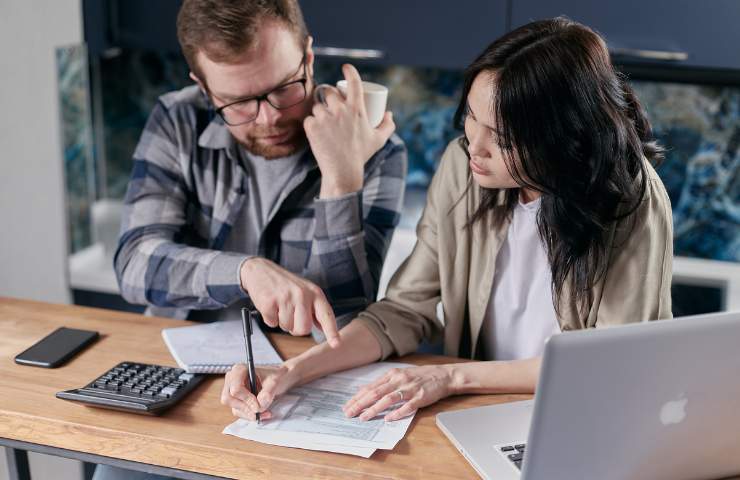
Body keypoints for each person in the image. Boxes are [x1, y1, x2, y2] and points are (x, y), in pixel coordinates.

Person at [222, 17, 673, 424]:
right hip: (477, 413)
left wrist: (451, 377)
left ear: (562, 138)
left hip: (580, 417)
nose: (473, 146)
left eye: (501, 138)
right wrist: (293, 371)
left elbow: (608, 363)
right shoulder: (463, 167)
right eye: (472, 120)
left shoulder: (632, 199)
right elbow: (402, 311)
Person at [113, 0, 407, 347]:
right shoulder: (178, 120)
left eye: (283, 88)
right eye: (237, 102)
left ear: (308, 58)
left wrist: (340, 181)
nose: (269, 119)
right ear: (205, 88)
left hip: (301, 372)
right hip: (180, 357)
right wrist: (245, 272)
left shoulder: (376, 149)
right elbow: (134, 264)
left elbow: (344, 329)